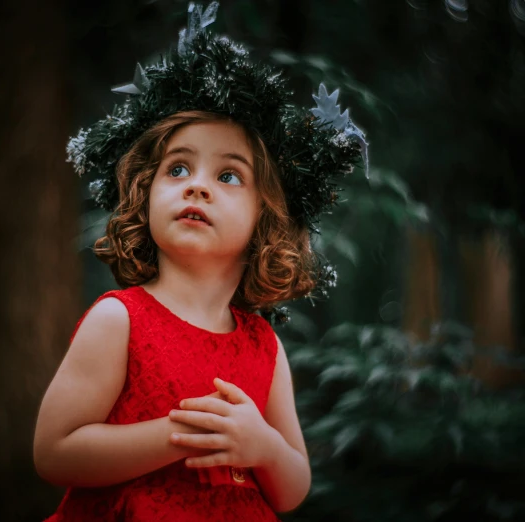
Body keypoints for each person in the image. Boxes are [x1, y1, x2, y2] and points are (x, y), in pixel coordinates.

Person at [34, 3, 367, 521]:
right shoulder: (120, 320)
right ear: (144, 196)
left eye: (228, 175)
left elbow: (293, 486)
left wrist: (263, 447)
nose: (196, 184)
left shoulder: (264, 347)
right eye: (178, 167)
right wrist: (178, 435)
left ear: (265, 220)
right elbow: (54, 452)